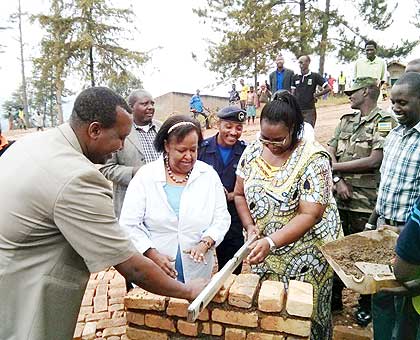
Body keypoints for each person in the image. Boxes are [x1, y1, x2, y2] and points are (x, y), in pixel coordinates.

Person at [0, 87, 206, 340]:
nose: (120, 146)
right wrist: (187, 291)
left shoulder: (33, 143)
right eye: (120, 137)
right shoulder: (77, 177)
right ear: (95, 130)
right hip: (24, 300)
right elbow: (132, 267)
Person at [234, 91, 343, 340]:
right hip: (265, 253)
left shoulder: (314, 158)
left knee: (306, 318)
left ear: (294, 129)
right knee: (273, 315)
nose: (271, 145)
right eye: (265, 138)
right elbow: (239, 194)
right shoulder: (252, 152)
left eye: (278, 140)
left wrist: (272, 241)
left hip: (307, 256)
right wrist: (250, 226)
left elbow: (311, 214)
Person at [119, 115, 230, 283]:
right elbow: (129, 223)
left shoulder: (208, 175)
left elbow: (221, 217)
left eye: (193, 150)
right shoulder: (146, 176)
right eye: (181, 150)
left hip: (197, 267)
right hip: (154, 267)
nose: (188, 156)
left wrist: (206, 242)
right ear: (167, 146)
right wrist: (151, 253)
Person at [327, 77, 397, 325]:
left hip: (366, 201)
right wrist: (337, 178)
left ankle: (365, 304)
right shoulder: (346, 121)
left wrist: (335, 167)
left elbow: (375, 160)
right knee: (335, 250)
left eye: (352, 92)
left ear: (366, 92)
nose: (348, 95)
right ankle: (333, 300)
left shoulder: (384, 121)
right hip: (339, 197)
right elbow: (329, 151)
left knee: (366, 255)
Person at [371, 72, 420, 340]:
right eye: (394, 102)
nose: (397, 108)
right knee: (381, 295)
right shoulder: (394, 135)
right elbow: (386, 183)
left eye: (404, 102)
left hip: (409, 236)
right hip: (382, 229)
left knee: (405, 304)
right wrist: (373, 219)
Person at [198, 106, 247, 274]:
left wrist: (232, 195)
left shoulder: (245, 152)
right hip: (204, 214)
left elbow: (251, 185)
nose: (233, 132)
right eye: (229, 126)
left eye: (238, 127)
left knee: (231, 266)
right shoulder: (201, 149)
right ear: (218, 124)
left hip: (233, 215)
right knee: (198, 262)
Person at [99, 89, 161, 218]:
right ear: (131, 107)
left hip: (161, 201)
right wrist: (134, 172)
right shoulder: (118, 131)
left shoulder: (162, 129)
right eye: (144, 104)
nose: (150, 108)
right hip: (130, 202)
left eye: (152, 103)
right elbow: (106, 168)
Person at [291, 55, 331, 127]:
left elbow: (328, 88)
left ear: (308, 62)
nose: (300, 65)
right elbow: (292, 93)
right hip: (297, 110)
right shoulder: (295, 77)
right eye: (299, 63)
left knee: (308, 132)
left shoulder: (315, 76)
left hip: (309, 110)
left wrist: (316, 95)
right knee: (296, 132)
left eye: (302, 63)